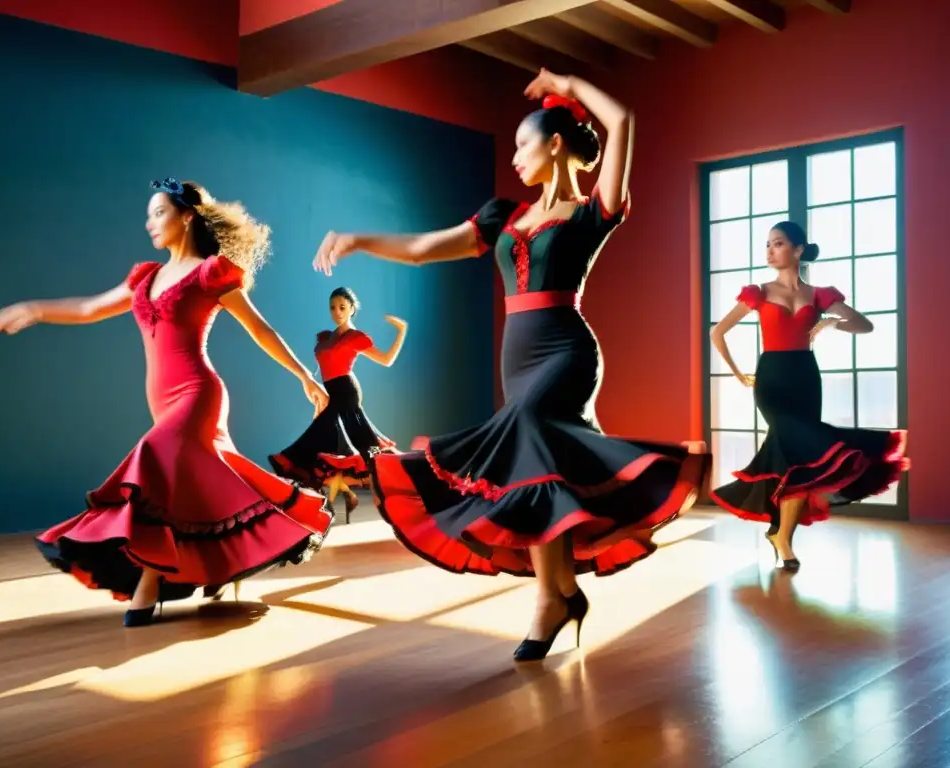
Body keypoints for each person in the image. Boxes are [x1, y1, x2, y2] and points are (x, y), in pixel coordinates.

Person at [311, 69, 711, 661]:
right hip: (517, 358)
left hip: (566, 353)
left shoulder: (592, 211)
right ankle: (560, 595)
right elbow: (424, 251)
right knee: (534, 467)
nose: (517, 156)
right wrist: (358, 239)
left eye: (525, 144)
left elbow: (622, 120)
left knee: (528, 437)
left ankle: (554, 600)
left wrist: (572, 85)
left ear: (555, 144)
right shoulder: (501, 215)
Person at [0, 178, 334, 627]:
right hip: (162, 400)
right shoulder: (145, 277)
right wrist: (33, 309)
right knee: (195, 494)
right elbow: (90, 307)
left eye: (158, 212)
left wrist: (305, 377)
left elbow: (261, 330)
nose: (149, 222)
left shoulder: (212, 273)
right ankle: (222, 568)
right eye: (149, 214)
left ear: (187, 215)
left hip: (197, 394)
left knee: (152, 467)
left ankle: (148, 584)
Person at [709, 221, 909, 570]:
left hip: (805, 379)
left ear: (798, 250)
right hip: (771, 381)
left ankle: (781, 536)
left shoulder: (819, 294)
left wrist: (831, 321)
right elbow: (718, 332)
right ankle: (782, 537)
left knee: (799, 460)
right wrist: (739, 373)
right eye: (768, 245)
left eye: (778, 244)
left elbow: (865, 325)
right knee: (800, 446)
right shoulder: (758, 291)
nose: (770, 251)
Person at [268, 286, 407, 522]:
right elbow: (323, 371)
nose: (337, 312)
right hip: (331, 395)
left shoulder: (355, 338)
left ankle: (392, 495)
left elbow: (386, 360)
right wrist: (318, 401)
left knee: (360, 449)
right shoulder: (326, 337)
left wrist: (401, 330)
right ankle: (333, 503)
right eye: (333, 307)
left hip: (347, 393)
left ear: (352, 309)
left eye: (342, 307)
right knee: (332, 449)